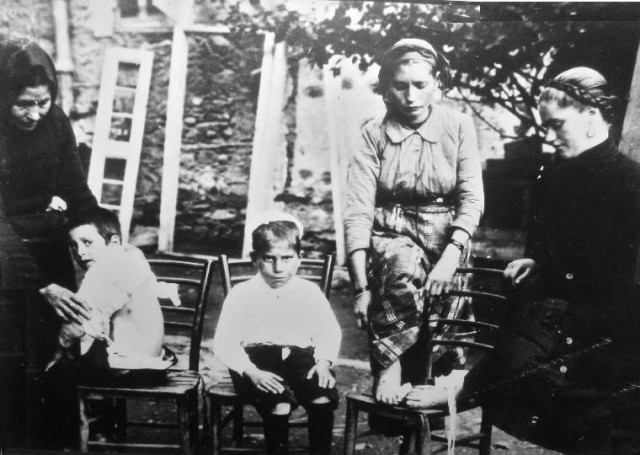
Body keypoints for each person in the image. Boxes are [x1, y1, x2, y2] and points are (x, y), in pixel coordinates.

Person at [404, 67, 640, 454]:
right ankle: (477, 382)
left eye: (556, 124)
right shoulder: (556, 179)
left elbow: (619, 278)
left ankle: (468, 386)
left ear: (592, 116)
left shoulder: (631, 184)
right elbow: (563, 251)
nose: (547, 137)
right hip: (560, 315)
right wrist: (538, 263)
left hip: (606, 329)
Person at [343, 37, 484, 405]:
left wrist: (450, 258)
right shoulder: (373, 134)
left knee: (446, 294)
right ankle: (390, 367)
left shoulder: (459, 126)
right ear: (386, 88)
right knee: (399, 261)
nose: (410, 95)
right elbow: (358, 211)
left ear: (438, 83)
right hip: (391, 230)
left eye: (420, 85)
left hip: (446, 236)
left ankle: (443, 379)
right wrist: (360, 289)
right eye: (400, 85)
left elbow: (472, 199)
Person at [43, 207, 176, 449]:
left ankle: (72, 441)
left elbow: (79, 321)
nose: (80, 252)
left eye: (87, 242)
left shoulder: (110, 268)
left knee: (51, 373)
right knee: (75, 359)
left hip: (131, 364)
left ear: (113, 242)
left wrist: (57, 349)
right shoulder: (130, 257)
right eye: (74, 246)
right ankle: (100, 429)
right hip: (145, 359)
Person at [213, 218, 342, 455]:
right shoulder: (241, 294)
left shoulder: (309, 292)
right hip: (254, 363)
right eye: (269, 258)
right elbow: (224, 343)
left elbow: (328, 331)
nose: (278, 268)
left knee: (321, 396)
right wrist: (251, 371)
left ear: (299, 258)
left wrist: (323, 362)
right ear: (255, 258)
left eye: (286, 258)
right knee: (279, 401)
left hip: (300, 358)